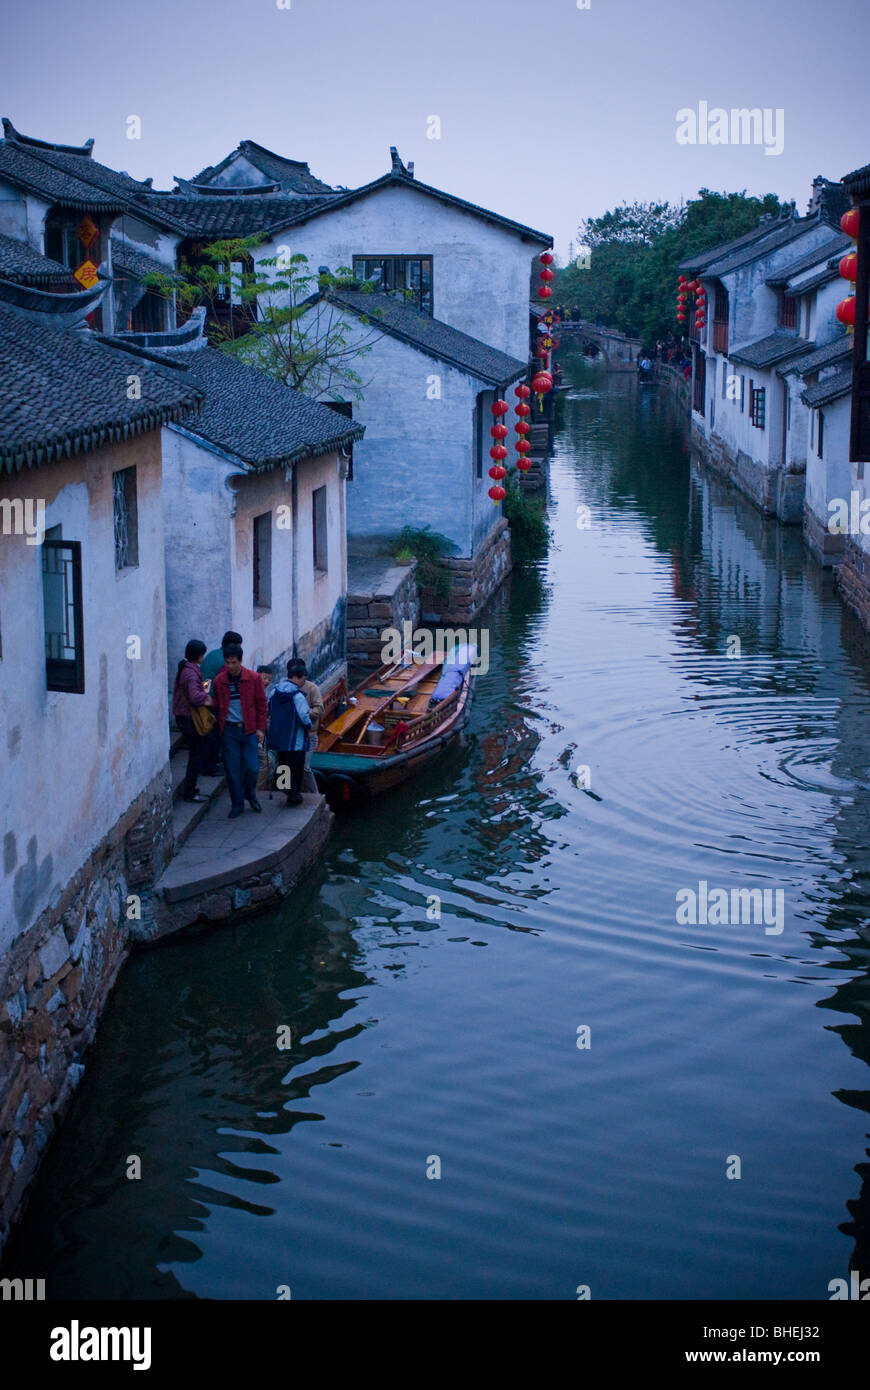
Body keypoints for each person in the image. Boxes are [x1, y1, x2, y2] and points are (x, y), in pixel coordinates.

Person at [212, 644, 267, 818]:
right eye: (227, 662)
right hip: (229, 731)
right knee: (233, 770)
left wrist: (260, 728)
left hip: (249, 730)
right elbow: (218, 703)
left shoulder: (253, 678)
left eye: (233, 662)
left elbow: (261, 705)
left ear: (240, 661)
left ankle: (250, 794)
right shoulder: (219, 681)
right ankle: (237, 804)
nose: (230, 666)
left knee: (252, 768)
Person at [172, 639, 217, 803]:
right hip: (189, 717)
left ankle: (191, 789)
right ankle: (190, 791)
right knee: (196, 755)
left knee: (196, 753)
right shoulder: (190, 673)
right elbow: (194, 696)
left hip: (184, 715)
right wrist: (206, 697)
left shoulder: (186, 668)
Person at [267, 661, 313, 807]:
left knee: (283, 763)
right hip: (295, 739)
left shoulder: (274, 691)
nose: (303, 683)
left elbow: (268, 708)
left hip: (279, 737)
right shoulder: (297, 695)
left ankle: (284, 789)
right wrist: (309, 726)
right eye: (303, 680)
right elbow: (304, 716)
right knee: (296, 767)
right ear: (297, 678)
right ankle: (294, 795)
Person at [290, 660, 324, 794]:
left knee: (304, 767)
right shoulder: (282, 689)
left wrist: (303, 713)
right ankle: (286, 791)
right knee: (286, 765)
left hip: (308, 734)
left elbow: (319, 710)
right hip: (290, 736)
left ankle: (314, 795)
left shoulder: (311, 688)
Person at [256, 666, 275, 791]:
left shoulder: (263, 692)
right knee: (267, 762)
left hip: (261, 734)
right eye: (264, 678)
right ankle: (258, 789)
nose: (267, 682)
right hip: (254, 734)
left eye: (269, 679)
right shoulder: (253, 692)